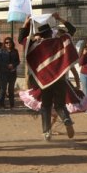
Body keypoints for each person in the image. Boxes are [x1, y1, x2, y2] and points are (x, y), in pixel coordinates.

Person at [18, 13, 77, 141]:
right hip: (60, 79)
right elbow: (72, 30)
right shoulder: (59, 42)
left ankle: (47, 132)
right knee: (60, 105)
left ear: (41, 34)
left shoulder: (35, 45)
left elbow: (20, 39)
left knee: (46, 106)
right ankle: (66, 119)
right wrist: (59, 18)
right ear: (51, 33)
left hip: (44, 81)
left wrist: (26, 22)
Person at [0, 37, 20, 109]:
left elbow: (18, 61)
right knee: (3, 89)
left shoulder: (15, 51)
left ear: (12, 43)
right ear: (4, 43)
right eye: (6, 42)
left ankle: (12, 105)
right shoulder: (1, 51)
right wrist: (7, 65)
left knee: (11, 89)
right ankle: (1, 104)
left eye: (9, 42)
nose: (8, 44)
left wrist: (13, 65)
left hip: (12, 73)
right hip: (4, 72)